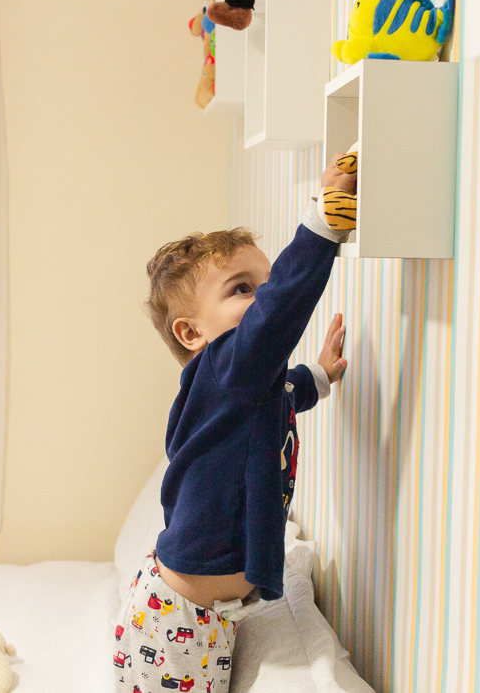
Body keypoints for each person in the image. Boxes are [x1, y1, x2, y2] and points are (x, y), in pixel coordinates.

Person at [112, 153, 357, 693]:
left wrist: (319, 374)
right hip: (174, 621)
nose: (263, 299)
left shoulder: (240, 390)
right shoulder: (225, 369)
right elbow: (277, 317)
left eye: (264, 285)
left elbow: (283, 393)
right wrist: (323, 224)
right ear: (191, 333)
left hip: (197, 613)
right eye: (243, 289)